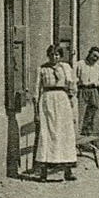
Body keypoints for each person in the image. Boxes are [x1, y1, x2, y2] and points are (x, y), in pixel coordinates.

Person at [34, 45, 77, 182]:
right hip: (47, 100)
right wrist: (36, 111)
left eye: (57, 55)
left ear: (61, 56)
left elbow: (72, 87)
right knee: (47, 134)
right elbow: (36, 90)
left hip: (62, 100)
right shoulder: (42, 69)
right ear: (48, 56)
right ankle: (43, 172)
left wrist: (71, 104)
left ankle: (67, 171)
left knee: (65, 134)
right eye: (52, 55)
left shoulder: (65, 68)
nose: (54, 57)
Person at [75, 45, 99, 137]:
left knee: (92, 115)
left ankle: (89, 138)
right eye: (94, 55)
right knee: (80, 114)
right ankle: (79, 137)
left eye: (97, 57)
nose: (95, 58)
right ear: (89, 54)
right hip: (82, 91)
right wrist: (80, 82)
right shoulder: (79, 64)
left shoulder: (98, 67)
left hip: (94, 91)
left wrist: (97, 83)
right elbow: (74, 78)